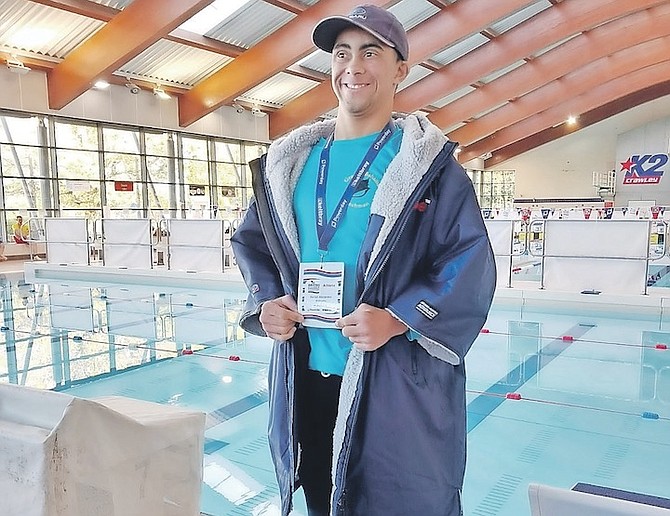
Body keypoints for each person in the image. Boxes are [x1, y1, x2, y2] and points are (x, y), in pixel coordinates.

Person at [231, 5, 496, 516]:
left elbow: (469, 262)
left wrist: (399, 319)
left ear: (400, 69)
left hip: (391, 382)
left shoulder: (427, 168)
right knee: (319, 497)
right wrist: (268, 303)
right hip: (306, 374)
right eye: (342, 52)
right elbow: (254, 245)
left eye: (371, 52)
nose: (354, 65)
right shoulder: (290, 166)